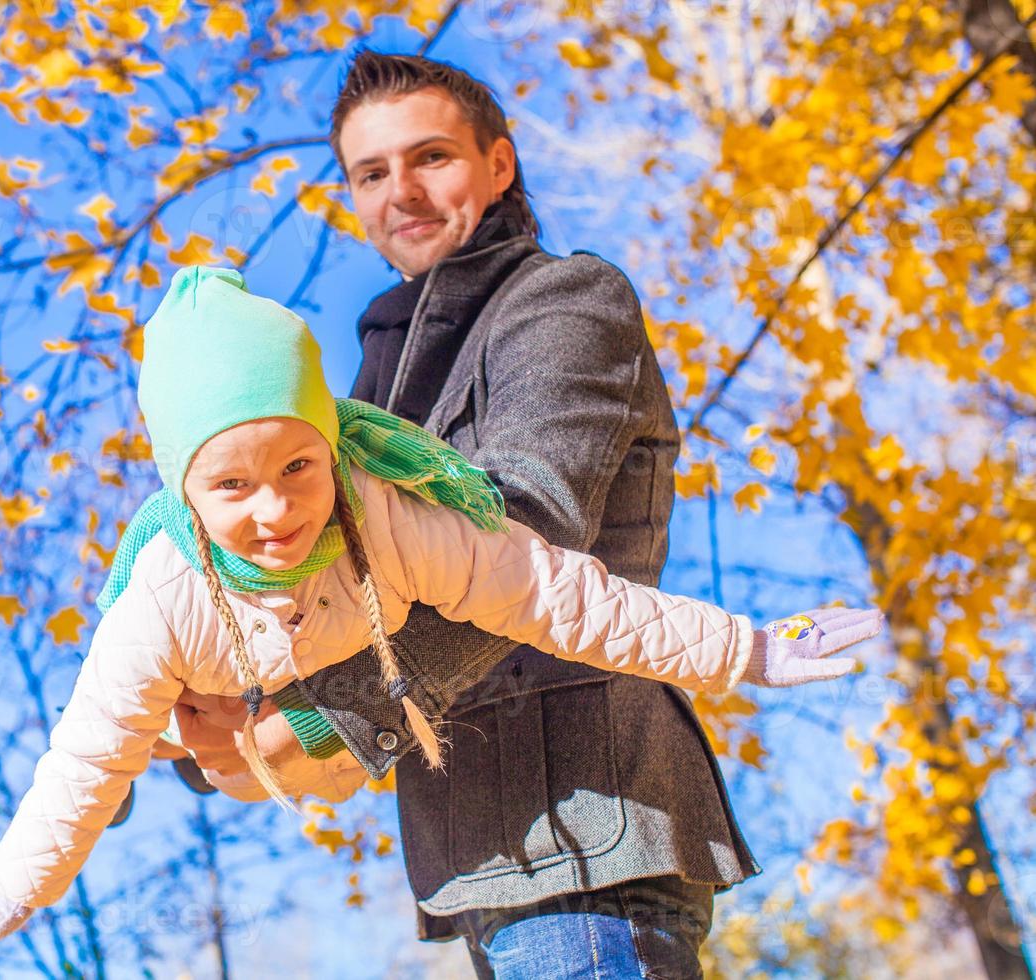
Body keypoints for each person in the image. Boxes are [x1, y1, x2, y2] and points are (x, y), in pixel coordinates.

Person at [0, 265, 882, 968]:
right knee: (115, 743)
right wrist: (17, 889)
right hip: (215, 664)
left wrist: (747, 648)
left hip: (445, 751)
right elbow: (83, 759)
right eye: (231, 484)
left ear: (334, 447)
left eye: (298, 466)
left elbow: (561, 597)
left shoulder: (390, 513)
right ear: (182, 492)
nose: (275, 509)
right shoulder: (160, 598)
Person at [172, 51, 780, 976]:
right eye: (371, 174)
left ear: (499, 165)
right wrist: (207, 704)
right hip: (480, 865)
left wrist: (327, 724)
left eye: (431, 159)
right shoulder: (371, 388)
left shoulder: (563, 298)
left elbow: (521, 535)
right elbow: (339, 592)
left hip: (585, 838)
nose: (401, 192)